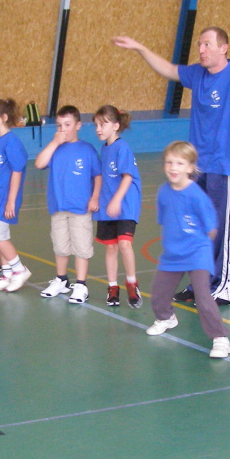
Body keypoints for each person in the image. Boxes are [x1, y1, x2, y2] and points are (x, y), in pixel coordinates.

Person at [113, 27, 230, 306]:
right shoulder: (198, 73)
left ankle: (224, 287)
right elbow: (170, 70)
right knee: (197, 227)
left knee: (223, 228)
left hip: (224, 166)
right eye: (199, 45)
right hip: (197, 168)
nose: (202, 50)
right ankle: (200, 285)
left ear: (224, 48)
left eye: (207, 45)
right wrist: (140, 48)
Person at [146, 141, 230, 359]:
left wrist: (196, 245)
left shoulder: (196, 196)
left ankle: (220, 338)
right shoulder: (163, 193)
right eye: (169, 162)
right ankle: (166, 318)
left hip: (196, 253)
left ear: (190, 168)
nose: (173, 167)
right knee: (158, 294)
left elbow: (211, 229)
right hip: (172, 255)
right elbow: (166, 222)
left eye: (180, 163)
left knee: (203, 297)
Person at [35, 105, 102, 304]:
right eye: (59, 125)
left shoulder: (87, 149)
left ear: (78, 125)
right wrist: (54, 143)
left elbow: (97, 175)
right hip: (58, 207)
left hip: (80, 208)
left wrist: (95, 197)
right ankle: (61, 280)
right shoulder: (55, 148)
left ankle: (81, 284)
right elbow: (39, 164)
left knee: (81, 246)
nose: (63, 129)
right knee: (60, 246)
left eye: (67, 125)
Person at [93, 105, 143, 308]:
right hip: (107, 204)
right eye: (96, 124)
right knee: (111, 247)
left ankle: (132, 283)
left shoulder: (122, 147)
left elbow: (127, 177)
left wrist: (116, 200)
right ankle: (112, 288)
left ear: (115, 125)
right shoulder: (104, 148)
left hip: (126, 203)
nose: (98, 128)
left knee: (124, 244)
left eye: (103, 124)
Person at [0, 98, 31, 292]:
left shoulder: (11, 142)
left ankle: (19, 270)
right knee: (1, 236)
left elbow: (17, 171)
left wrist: (11, 201)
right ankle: (7, 274)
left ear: (4, 117)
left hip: (4, 198)